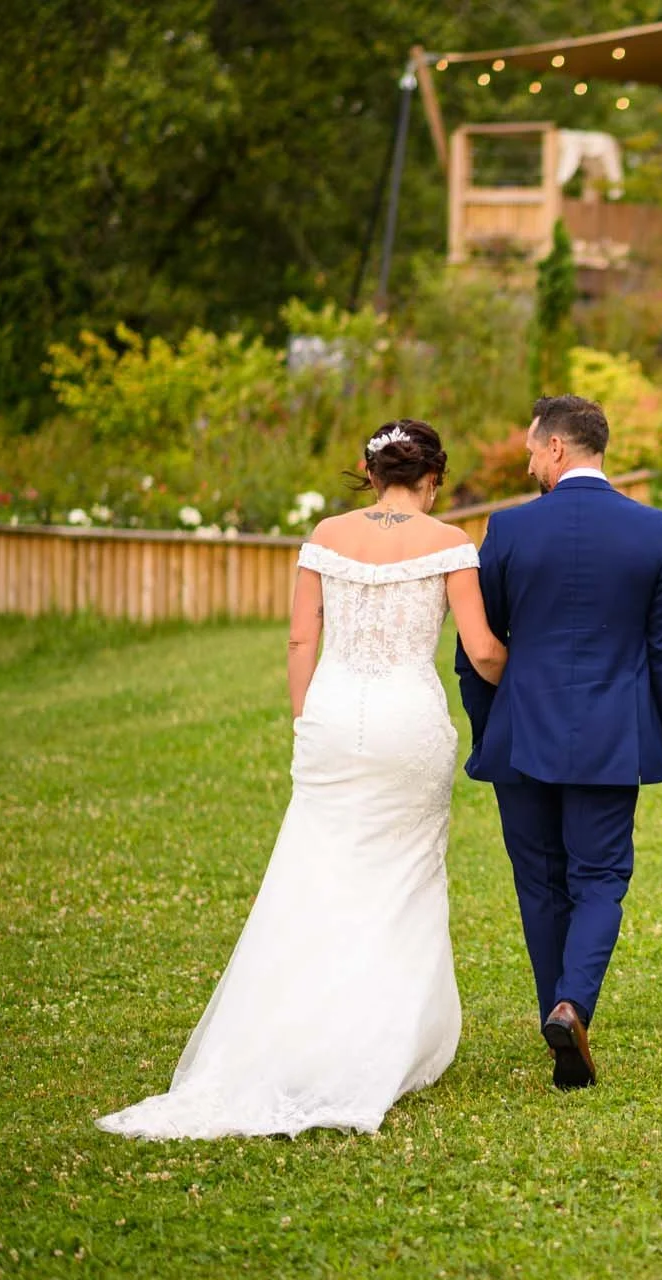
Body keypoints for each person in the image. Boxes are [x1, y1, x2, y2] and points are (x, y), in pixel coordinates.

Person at [97, 422, 506, 1139]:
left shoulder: (326, 533)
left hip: (330, 716)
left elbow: (300, 639)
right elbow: (480, 651)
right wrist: (529, 666)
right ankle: (381, 1037)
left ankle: (296, 1032)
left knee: (316, 871)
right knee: (402, 876)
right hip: (408, 723)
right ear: (433, 475)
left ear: (369, 471)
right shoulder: (450, 542)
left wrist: (304, 720)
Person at [456, 396, 662, 1092]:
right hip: (612, 738)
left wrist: (490, 725)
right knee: (599, 877)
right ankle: (572, 1007)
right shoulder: (651, 530)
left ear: (558, 448)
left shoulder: (508, 528)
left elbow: (478, 648)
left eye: (534, 450)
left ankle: (555, 1015)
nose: (531, 462)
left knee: (540, 881)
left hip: (521, 735)